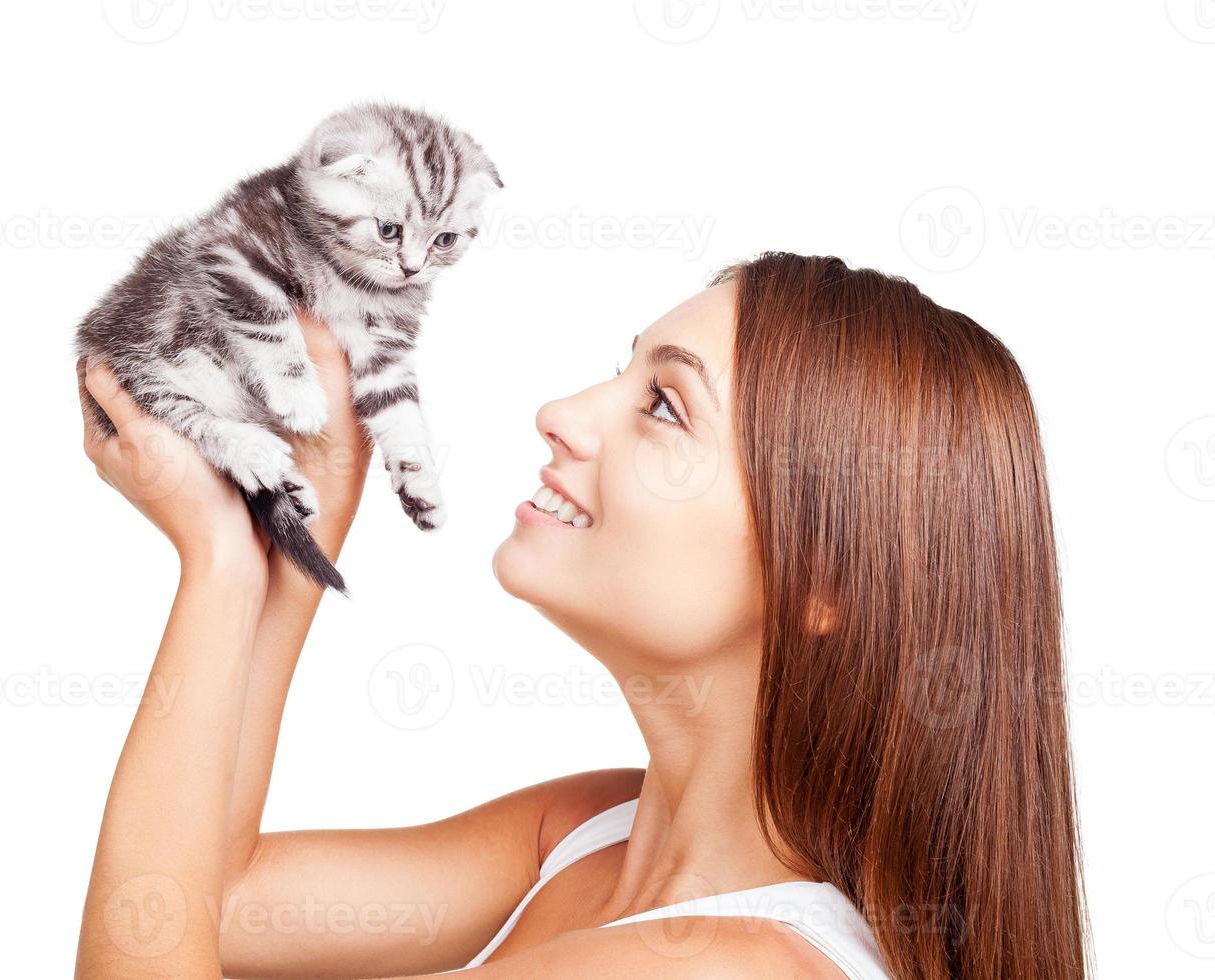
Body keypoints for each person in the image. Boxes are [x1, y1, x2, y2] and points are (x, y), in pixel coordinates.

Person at [74, 253, 1086, 979]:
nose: (564, 410)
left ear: (827, 582)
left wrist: (215, 562)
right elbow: (215, 895)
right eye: (626, 367)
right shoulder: (594, 826)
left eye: (664, 405)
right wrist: (297, 540)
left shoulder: (740, 964)